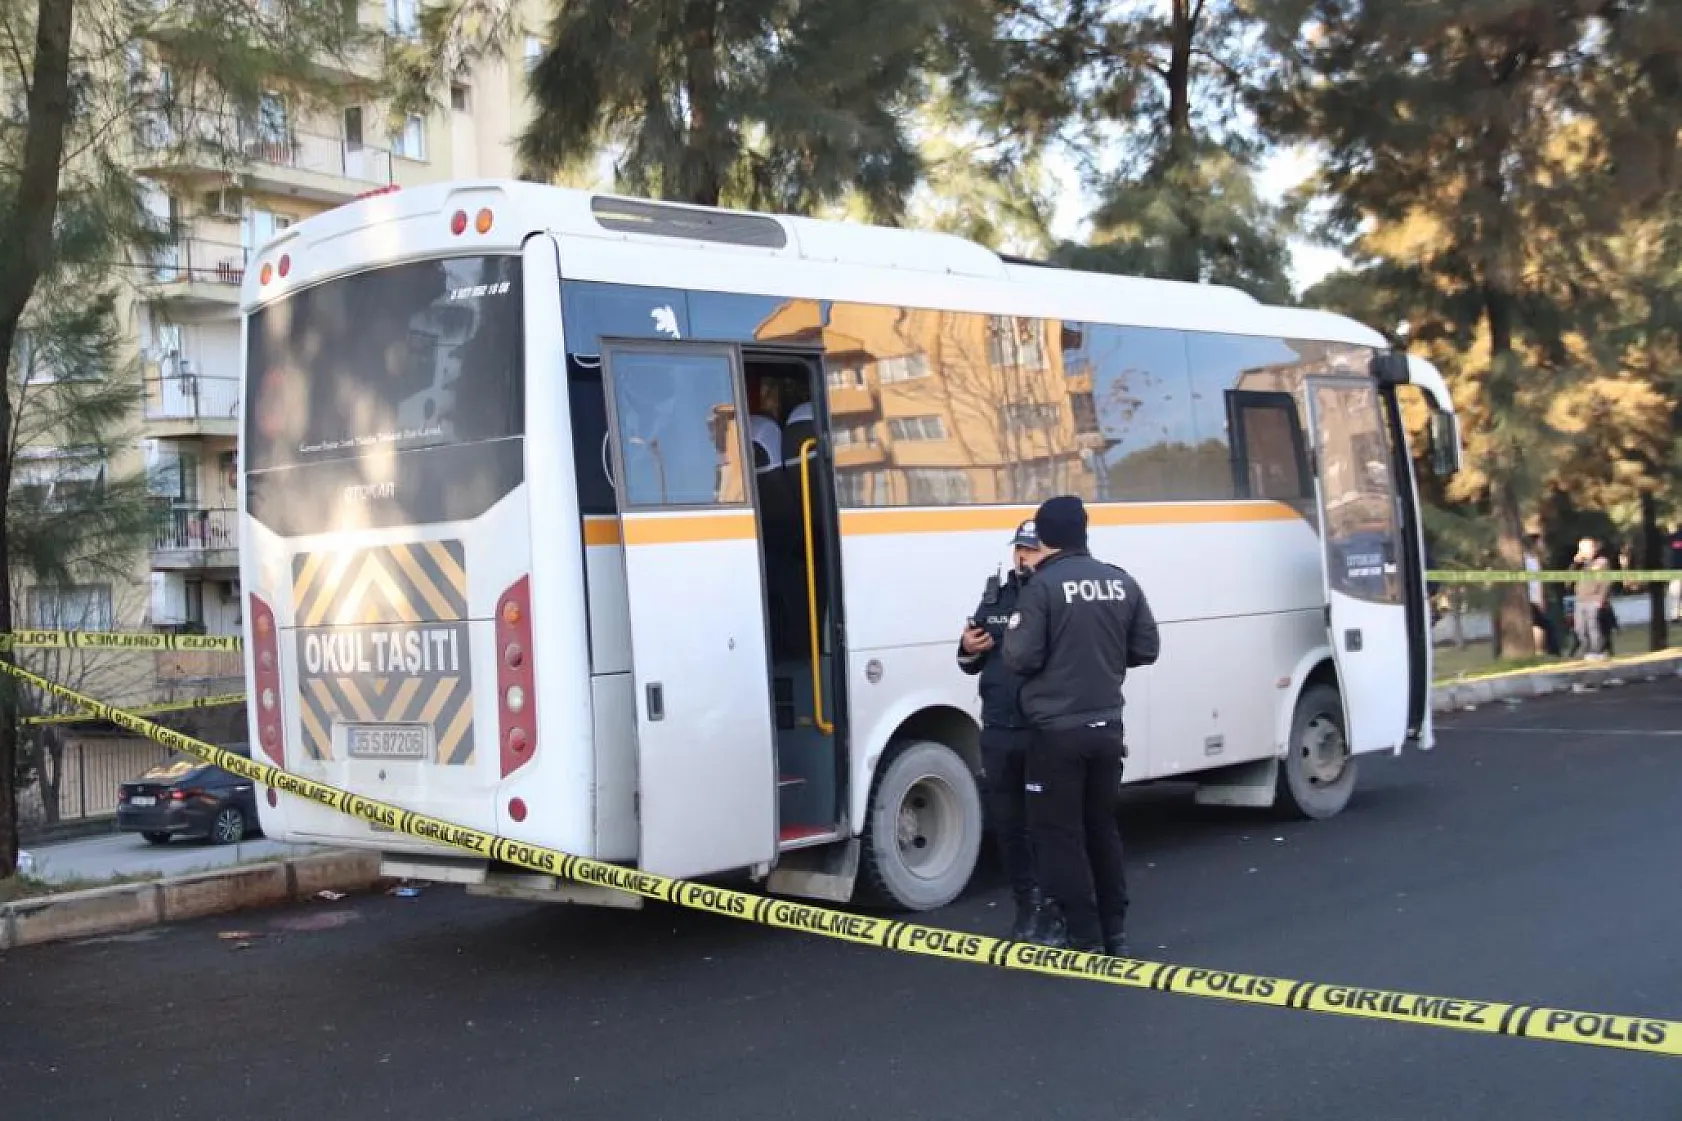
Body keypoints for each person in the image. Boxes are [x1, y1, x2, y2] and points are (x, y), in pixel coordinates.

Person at [1002, 495, 1159, 955]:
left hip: (1056, 733)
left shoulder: (1042, 587)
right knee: (1101, 827)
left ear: (1045, 536)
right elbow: (1146, 648)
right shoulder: (1120, 581)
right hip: (1108, 726)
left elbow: (1020, 657)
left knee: (1058, 834)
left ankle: (1082, 934)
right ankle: (1115, 930)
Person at [956, 519, 1048, 940]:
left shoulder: (1052, 595)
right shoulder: (996, 594)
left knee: (1046, 825)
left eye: (1031, 550)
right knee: (1009, 827)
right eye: (1019, 550)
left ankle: (1053, 907)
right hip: (998, 727)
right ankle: (1026, 906)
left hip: (1040, 730)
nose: (1022, 558)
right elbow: (969, 660)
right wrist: (967, 648)